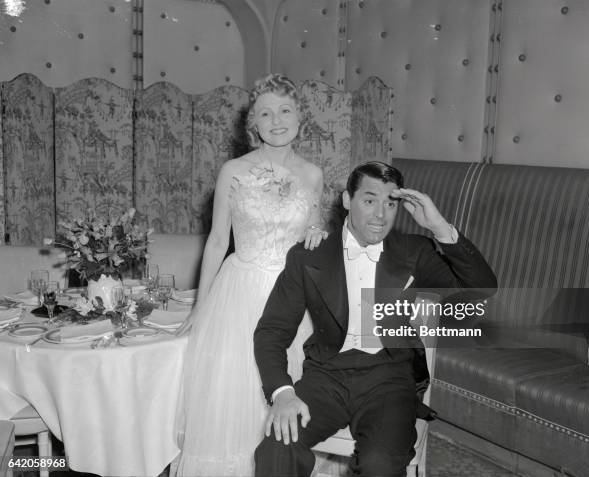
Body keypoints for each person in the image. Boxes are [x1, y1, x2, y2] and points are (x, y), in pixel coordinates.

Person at [253, 161, 498, 476]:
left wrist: (439, 226)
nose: (381, 214)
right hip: (325, 377)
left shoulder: (415, 251)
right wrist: (283, 393)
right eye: (369, 201)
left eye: (391, 203)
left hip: (389, 378)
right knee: (278, 445)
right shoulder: (309, 255)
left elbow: (482, 289)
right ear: (346, 201)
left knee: (379, 465)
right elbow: (272, 331)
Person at [174, 74, 327, 476]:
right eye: (265, 112)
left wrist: (318, 235)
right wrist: (200, 307)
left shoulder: (313, 175)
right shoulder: (233, 171)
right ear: (253, 124)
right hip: (238, 295)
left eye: (285, 110)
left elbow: (314, 239)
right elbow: (216, 240)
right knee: (233, 402)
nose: (276, 120)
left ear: (299, 118)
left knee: (286, 402)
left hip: (293, 298)